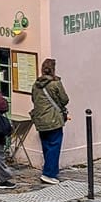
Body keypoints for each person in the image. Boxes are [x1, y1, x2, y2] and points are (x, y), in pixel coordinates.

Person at [30, 57, 69, 185]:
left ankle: (49, 170)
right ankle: (49, 173)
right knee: (54, 146)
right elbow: (64, 100)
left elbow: (33, 100)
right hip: (53, 119)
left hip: (40, 120)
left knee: (46, 146)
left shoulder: (36, 85)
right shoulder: (55, 84)